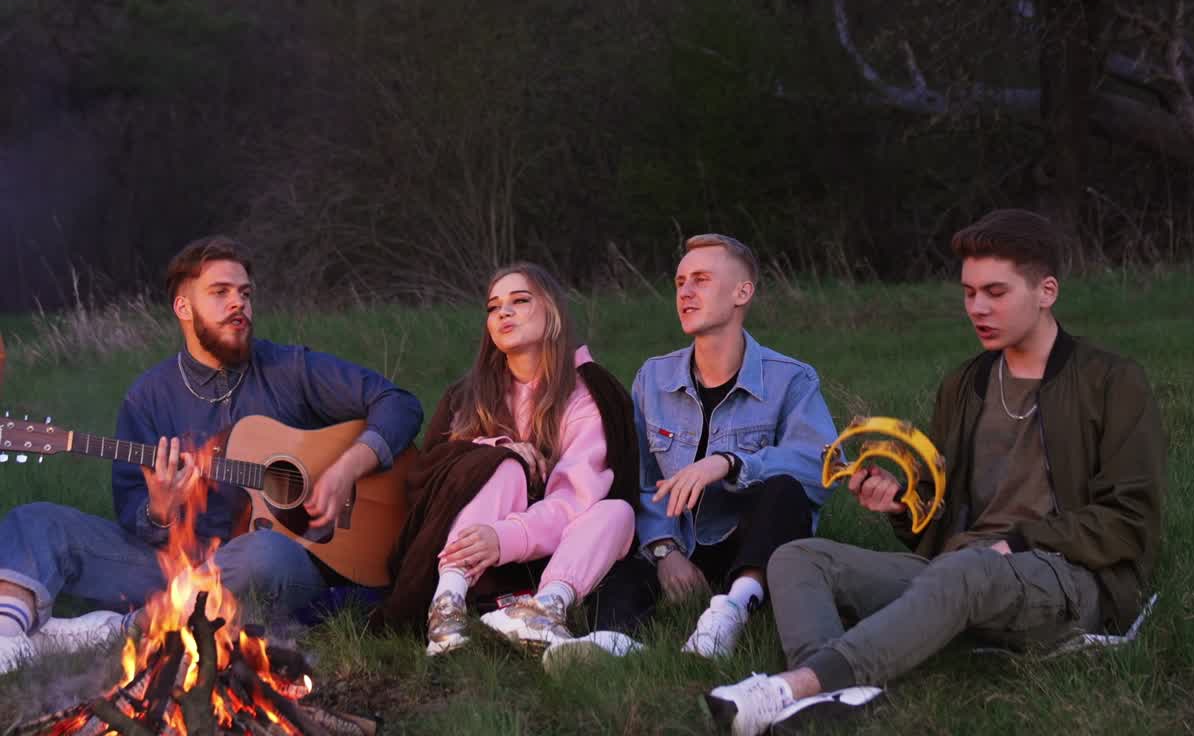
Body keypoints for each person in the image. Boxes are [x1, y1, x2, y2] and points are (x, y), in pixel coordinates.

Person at [705, 209, 1167, 735]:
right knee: (796, 557)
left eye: (995, 292)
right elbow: (940, 512)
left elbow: (1129, 520)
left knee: (963, 568)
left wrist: (1014, 543)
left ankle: (792, 687)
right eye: (969, 293)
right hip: (961, 567)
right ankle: (839, 694)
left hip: (1067, 578)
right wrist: (904, 505)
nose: (978, 308)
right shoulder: (965, 384)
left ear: (1046, 291)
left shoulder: (1111, 381)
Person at [0, 235, 424, 674]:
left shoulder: (289, 368)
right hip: (173, 564)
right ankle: (8, 639)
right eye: (220, 293)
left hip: (273, 560)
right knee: (36, 522)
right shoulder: (147, 398)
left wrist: (344, 469)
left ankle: (125, 627)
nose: (238, 304)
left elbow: (399, 404)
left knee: (264, 554)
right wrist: (161, 511)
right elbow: (133, 517)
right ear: (184, 308)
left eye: (244, 293)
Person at [557, 233, 837, 664]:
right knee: (616, 540)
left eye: (702, 280)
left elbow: (821, 468)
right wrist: (665, 551)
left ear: (742, 292)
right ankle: (613, 639)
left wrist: (728, 462)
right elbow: (642, 480)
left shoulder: (792, 380)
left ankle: (729, 613)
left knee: (786, 491)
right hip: (674, 539)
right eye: (680, 282)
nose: (685, 292)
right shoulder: (653, 378)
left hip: (747, 543)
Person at [376, 262, 638, 654]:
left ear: (552, 313)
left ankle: (544, 610)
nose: (503, 312)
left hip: (550, 554)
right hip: (465, 558)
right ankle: (446, 606)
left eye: (519, 300)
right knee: (503, 466)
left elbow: (576, 501)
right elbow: (429, 479)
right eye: (493, 307)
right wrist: (494, 451)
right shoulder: (466, 397)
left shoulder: (587, 393)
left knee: (617, 512)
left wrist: (504, 537)